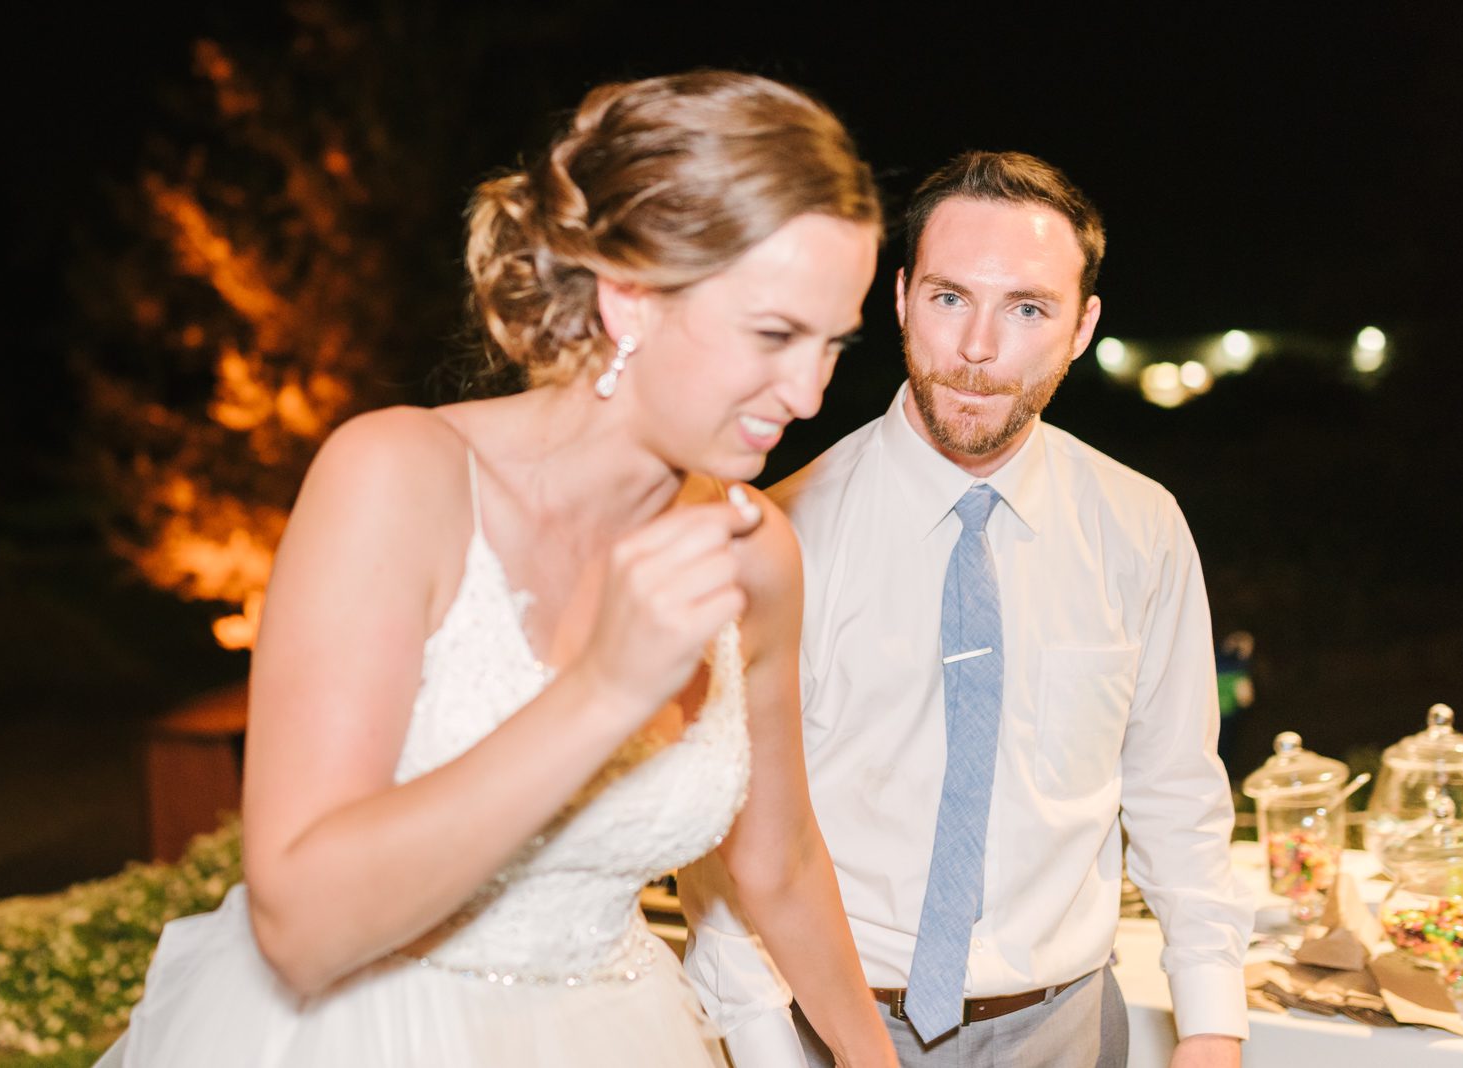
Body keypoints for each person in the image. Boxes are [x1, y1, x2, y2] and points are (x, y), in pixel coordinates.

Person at [100, 71, 898, 1068]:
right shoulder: (399, 480)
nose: (811, 392)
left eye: (833, 344)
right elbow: (301, 933)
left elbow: (777, 864)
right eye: (774, 334)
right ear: (630, 298)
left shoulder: (755, 553)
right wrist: (604, 690)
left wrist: (875, 1062)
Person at [680, 151, 1253, 1068]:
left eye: (1027, 308)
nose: (978, 348)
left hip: (1071, 1027)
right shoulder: (779, 533)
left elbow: (1176, 789)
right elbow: (726, 837)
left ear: (1081, 327)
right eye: (950, 299)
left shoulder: (1139, 527)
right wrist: (765, 1047)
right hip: (825, 1023)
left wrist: (1214, 1024)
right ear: (902, 298)